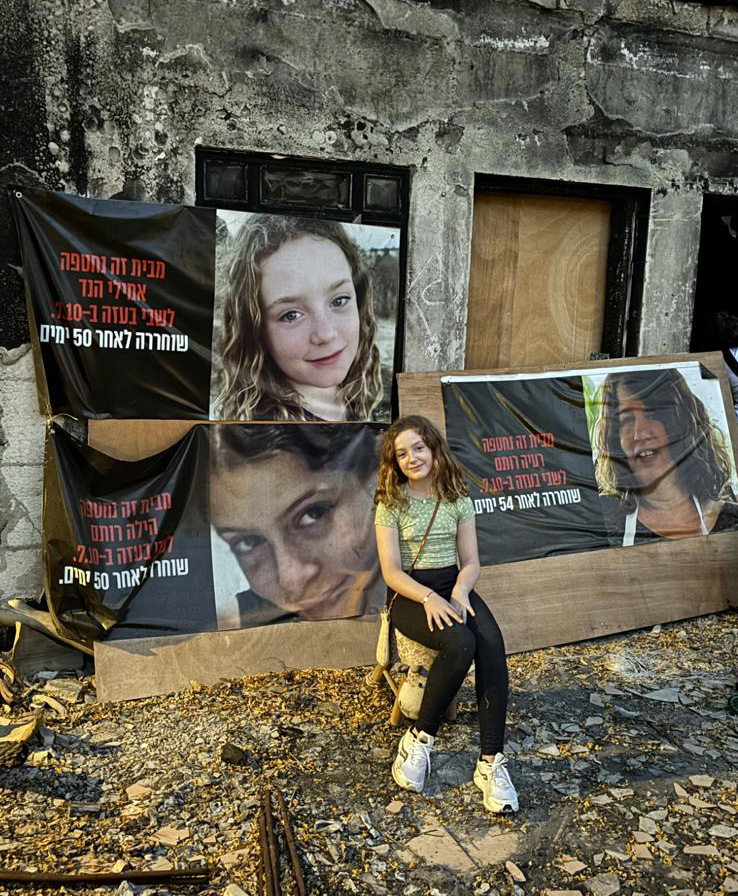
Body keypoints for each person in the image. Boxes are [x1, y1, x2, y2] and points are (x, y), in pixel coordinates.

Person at [374, 415, 518, 813]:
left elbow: (471, 562)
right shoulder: (391, 504)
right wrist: (428, 598)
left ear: (434, 449)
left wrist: (458, 590)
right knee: (460, 643)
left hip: (453, 587)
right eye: (402, 454)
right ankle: (419, 740)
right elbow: (391, 572)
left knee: (491, 645)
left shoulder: (457, 498)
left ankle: (490, 763)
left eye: (418, 448)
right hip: (409, 595)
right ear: (395, 462)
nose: (412, 458)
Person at [210, 423, 383, 627]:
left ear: (376, 487)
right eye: (248, 542)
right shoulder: (246, 634)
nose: (292, 579)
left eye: (313, 513)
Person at [216, 215, 383, 422]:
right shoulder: (266, 440)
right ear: (256, 329)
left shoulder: (360, 401)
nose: (326, 333)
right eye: (291, 315)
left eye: (339, 301)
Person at [594, 367, 738, 546]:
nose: (640, 434)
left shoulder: (732, 521)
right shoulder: (599, 518)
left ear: (681, 423)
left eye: (653, 414)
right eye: (628, 420)